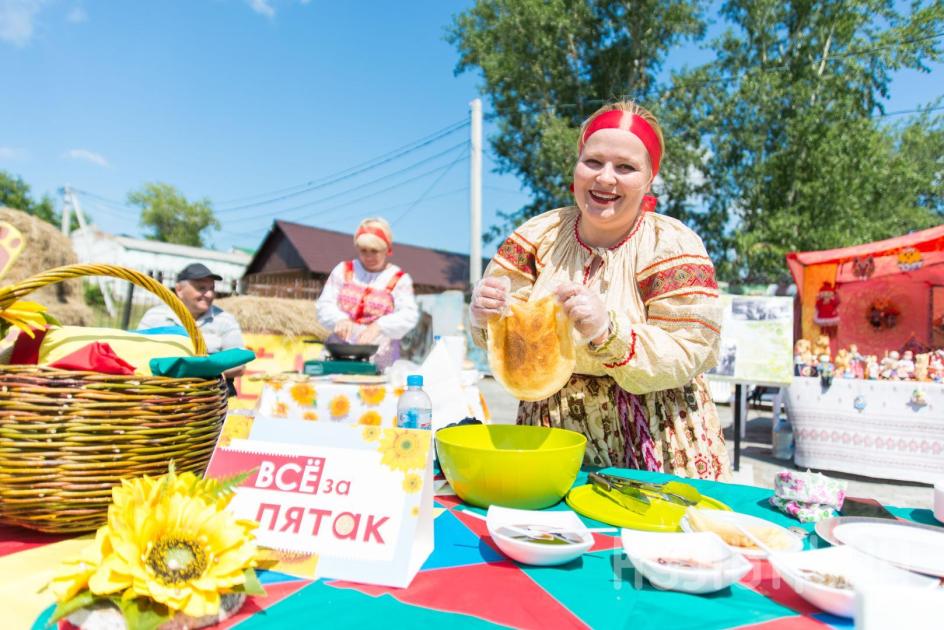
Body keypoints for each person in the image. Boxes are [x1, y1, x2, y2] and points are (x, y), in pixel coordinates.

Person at [470, 101, 731, 480]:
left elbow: (691, 347)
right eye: (593, 162)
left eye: (625, 167)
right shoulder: (538, 236)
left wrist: (609, 332)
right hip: (553, 434)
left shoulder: (671, 243)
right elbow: (506, 336)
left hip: (654, 437)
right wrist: (486, 317)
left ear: (649, 179)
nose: (605, 178)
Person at [316, 218, 419, 369]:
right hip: (338, 353)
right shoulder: (343, 270)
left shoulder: (399, 279)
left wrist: (379, 326)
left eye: (374, 251)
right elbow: (324, 305)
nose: (368, 257)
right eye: (363, 250)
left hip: (378, 358)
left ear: (387, 249)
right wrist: (340, 319)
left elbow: (409, 315)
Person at [138, 262, 246, 390]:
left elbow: (239, 366)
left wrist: (198, 372)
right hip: (158, 391)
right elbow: (138, 353)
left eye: (212, 288)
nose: (210, 294)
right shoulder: (155, 316)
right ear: (179, 290)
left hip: (208, 395)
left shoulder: (225, 320)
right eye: (201, 288)